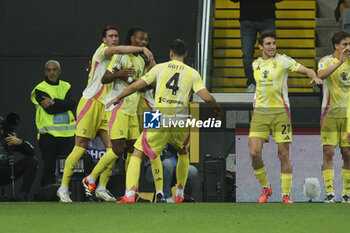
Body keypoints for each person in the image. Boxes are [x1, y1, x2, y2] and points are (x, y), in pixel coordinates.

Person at [107, 39, 222, 203]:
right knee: (183, 152)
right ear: (186, 54)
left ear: (170, 53)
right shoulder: (192, 73)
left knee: (138, 152)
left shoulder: (160, 68)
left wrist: (118, 98)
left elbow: (135, 86)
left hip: (159, 113)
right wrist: (217, 109)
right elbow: (207, 97)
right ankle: (180, 194)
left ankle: (130, 194)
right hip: (181, 116)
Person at [57, 25, 154, 203]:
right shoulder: (103, 51)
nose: (114, 39)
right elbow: (116, 53)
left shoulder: (124, 57)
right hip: (91, 102)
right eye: (110, 36)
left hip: (108, 104)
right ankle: (63, 188)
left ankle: (102, 187)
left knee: (114, 148)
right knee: (81, 145)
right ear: (104, 40)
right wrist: (142, 49)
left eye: (116, 36)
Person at [249, 31, 322, 203]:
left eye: (273, 43)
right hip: (260, 113)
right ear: (260, 46)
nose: (272, 46)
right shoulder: (255, 64)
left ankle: (286, 194)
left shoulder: (283, 60)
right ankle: (266, 187)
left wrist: (314, 77)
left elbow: (306, 70)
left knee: (283, 154)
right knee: (254, 153)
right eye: (268, 44)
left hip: (280, 113)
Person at [31, 60, 76, 187]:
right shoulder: (40, 89)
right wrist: (63, 104)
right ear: (45, 72)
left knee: (65, 167)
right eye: (49, 70)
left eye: (54, 69)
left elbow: (72, 104)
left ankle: (65, 191)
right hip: (48, 134)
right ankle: (47, 193)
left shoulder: (66, 86)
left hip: (66, 134)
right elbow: (49, 110)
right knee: (49, 165)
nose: (51, 72)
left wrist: (54, 101)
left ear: (59, 71)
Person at [318, 31, 350, 203]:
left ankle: (346, 193)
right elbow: (320, 75)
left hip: (348, 116)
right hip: (329, 113)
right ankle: (330, 193)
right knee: (328, 152)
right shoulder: (326, 61)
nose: (348, 48)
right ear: (336, 46)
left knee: (347, 153)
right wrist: (340, 63)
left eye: (349, 44)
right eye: (344, 44)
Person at [230, 0, 283, 93]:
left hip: (267, 17)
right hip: (247, 19)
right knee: (247, 54)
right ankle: (251, 83)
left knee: (270, 52)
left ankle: (270, 83)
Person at [0, 114, 38, 201]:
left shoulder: (7, 139)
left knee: (32, 162)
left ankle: (22, 195)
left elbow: (32, 152)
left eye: (2, 129)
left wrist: (20, 142)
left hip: (6, 171)